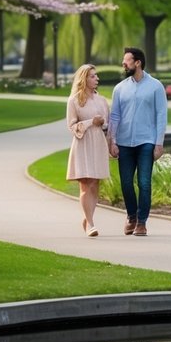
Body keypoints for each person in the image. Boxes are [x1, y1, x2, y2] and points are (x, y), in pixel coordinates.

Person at [108, 47, 167, 237]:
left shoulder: (156, 86)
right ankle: (131, 217)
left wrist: (159, 143)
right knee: (126, 183)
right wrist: (112, 141)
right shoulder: (120, 88)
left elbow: (161, 115)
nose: (123, 64)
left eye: (126, 61)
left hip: (146, 142)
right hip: (124, 142)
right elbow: (114, 116)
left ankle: (142, 222)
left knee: (144, 183)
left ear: (138, 62)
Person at [67, 64, 111, 237]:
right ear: (84, 79)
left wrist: (104, 127)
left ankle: (87, 219)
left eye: (96, 76)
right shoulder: (74, 101)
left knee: (95, 184)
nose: (97, 79)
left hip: (98, 143)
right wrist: (91, 122)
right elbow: (71, 126)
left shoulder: (102, 101)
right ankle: (91, 224)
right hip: (83, 144)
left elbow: (107, 125)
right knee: (85, 184)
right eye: (93, 76)